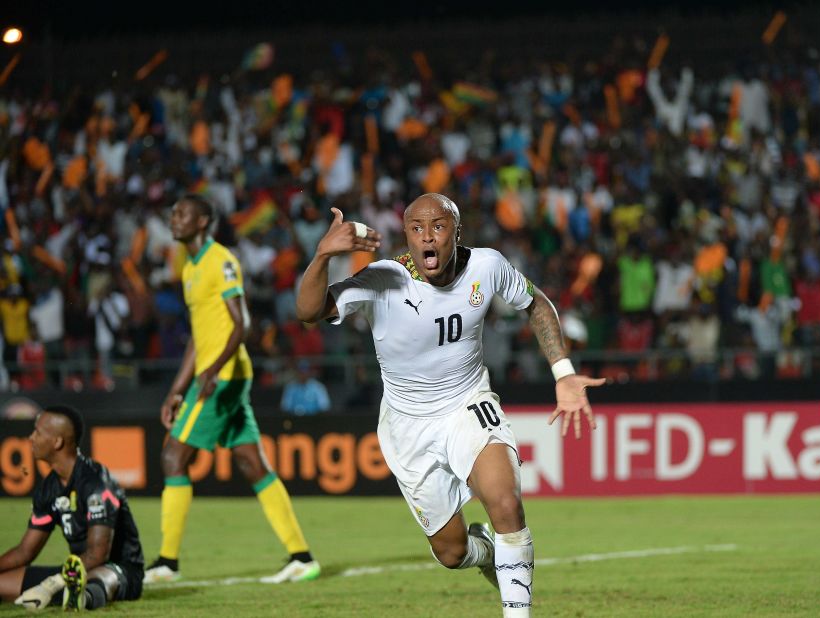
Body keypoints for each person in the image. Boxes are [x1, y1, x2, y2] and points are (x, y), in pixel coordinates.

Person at [296, 193, 605, 616]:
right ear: (406, 234)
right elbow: (308, 310)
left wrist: (563, 372)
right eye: (417, 228)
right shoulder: (383, 279)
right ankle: (486, 554)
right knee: (451, 553)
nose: (428, 237)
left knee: (505, 499)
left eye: (438, 226)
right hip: (407, 427)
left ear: (456, 232)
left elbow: (536, 304)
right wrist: (321, 257)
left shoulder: (487, 266)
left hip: (467, 404)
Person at [143, 194, 318, 584]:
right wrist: (176, 389)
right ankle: (302, 557)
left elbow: (243, 325)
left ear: (203, 221)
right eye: (174, 212)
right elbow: (197, 339)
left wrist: (213, 372)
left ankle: (167, 563)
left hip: (222, 377)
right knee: (252, 464)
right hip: (220, 374)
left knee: (173, 456)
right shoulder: (189, 267)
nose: (175, 218)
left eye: (183, 213)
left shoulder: (219, 261)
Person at [0, 405, 144, 610]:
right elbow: (24, 552)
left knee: (101, 577)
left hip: (119, 570)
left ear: (57, 442)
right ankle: (69, 592)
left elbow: (98, 554)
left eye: (38, 432)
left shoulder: (95, 482)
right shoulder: (48, 489)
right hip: (73, 572)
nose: (31, 438)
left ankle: (83, 597)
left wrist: (51, 584)